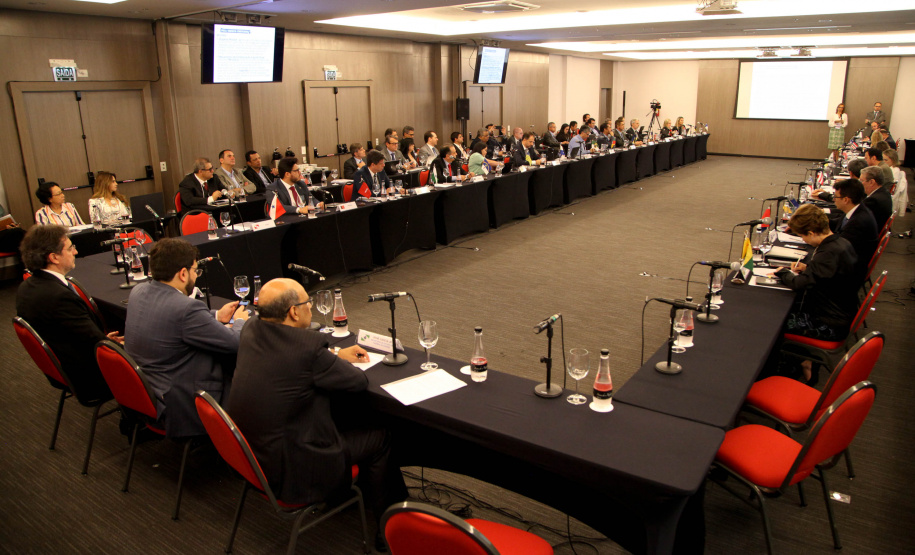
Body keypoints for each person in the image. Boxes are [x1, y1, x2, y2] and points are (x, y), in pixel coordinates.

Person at [226, 278, 407, 549]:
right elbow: (356, 382)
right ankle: (391, 531)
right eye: (307, 303)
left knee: (337, 413)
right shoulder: (307, 348)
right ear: (294, 312)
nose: (310, 308)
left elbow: (293, 359)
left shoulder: (251, 328)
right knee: (380, 436)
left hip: (255, 456)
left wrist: (332, 353)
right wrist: (329, 358)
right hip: (296, 470)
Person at [124, 238, 248, 438]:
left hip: (148, 391)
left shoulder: (139, 291)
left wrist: (216, 316)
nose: (196, 276)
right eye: (195, 271)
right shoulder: (186, 308)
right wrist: (240, 321)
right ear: (183, 273)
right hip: (180, 401)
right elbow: (235, 342)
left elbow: (175, 318)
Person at [17, 224, 123, 401]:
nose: (75, 252)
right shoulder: (59, 297)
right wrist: (110, 344)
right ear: (54, 257)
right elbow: (93, 343)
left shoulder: (26, 287)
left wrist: (102, 339)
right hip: (89, 377)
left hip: (65, 368)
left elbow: (80, 335)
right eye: (70, 248)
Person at [775, 204, 858, 382]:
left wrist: (783, 273)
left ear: (812, 232)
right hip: (840, 312)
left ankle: (787, 369)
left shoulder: (828, 253)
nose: (804, 240)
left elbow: (799, 284)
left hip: (828, 323)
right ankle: (804, 360)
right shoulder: (840, 243)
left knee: (775, 322)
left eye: (803, 236)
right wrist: (809, 267)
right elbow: (828, 276)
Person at [830, 178, 878, 284]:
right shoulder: (857, 210)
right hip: (849, 262)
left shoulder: (858, 222)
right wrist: (809, 223)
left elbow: (838, 248)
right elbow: (835, 224)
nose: (834, 200)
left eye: (836, 197)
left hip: (848, 275)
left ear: (846, 200)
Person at [859, 166, 893, 232]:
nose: (859, 184)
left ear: (871, 182)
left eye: (861, 181)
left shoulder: (873, 201)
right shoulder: (884, 192)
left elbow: (854, 217)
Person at [883, 148, 908, 218]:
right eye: (883, 159)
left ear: (893, 160)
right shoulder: (894, 169)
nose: (883, 162)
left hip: (888, 201)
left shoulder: (893, 172)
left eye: (886, 160)